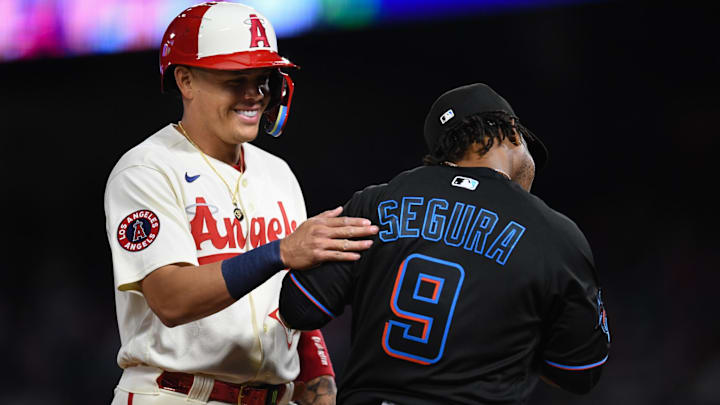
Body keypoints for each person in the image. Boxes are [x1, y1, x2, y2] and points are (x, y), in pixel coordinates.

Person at [104, 3, 378, 405]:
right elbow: (171, 299)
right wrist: (281, 251)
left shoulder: (278, 173)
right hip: (177, 395)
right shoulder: (146, 169)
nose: (254, 94)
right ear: (186, 80)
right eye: (235, 79)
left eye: (262, 79)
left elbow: (294, 302)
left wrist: (322, 390)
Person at [279, 83, 611, 404]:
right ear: (512, 132)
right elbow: (579, 373)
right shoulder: (556, 236)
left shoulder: (377, 203)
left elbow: (300, 308)